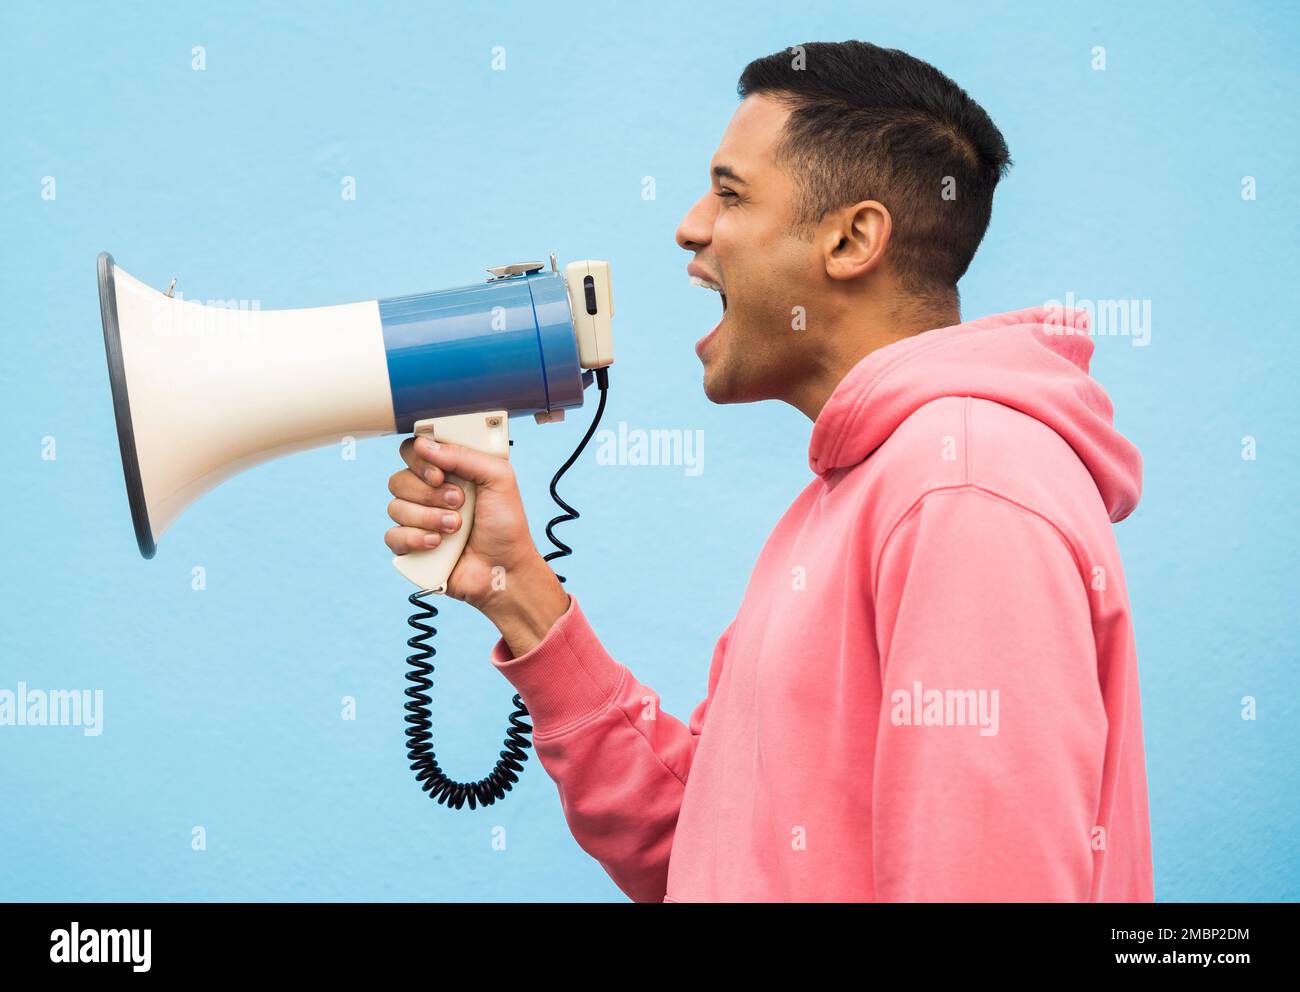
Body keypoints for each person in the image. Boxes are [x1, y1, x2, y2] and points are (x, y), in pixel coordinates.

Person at [383, 40, 1154, 902]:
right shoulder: (862, 497)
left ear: (852, 238)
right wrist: (516, 589)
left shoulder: (963, 490)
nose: (690, 225)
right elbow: (698, 849)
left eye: (730, 193)